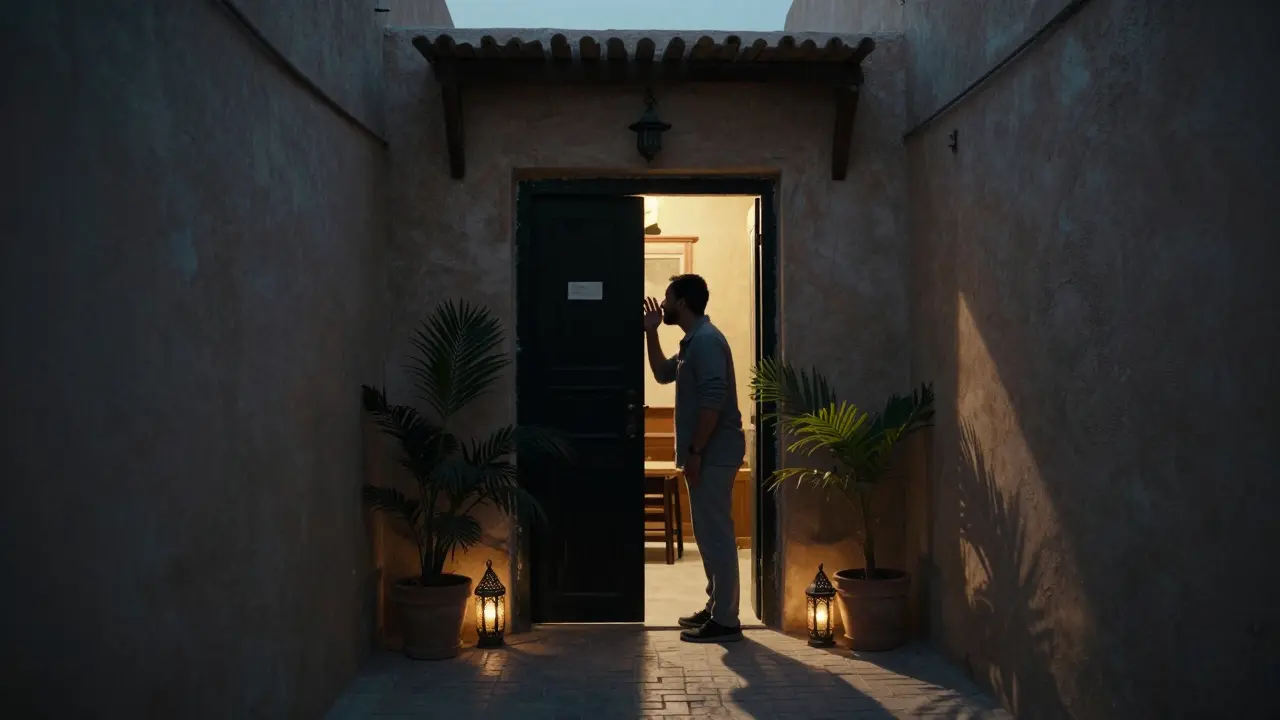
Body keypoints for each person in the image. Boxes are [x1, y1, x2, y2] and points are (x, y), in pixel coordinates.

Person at [643, 274, 746, 643]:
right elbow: (660, 374)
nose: (663, 305)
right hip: (703, 454)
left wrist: (697, 452)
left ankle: (726, 620)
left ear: (682, 303)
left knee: (716, 533)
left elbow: (713, 400)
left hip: (713, 454)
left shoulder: (706, 342)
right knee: (706, 532)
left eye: (668, 299)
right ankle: (716, 606)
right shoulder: (693, 343)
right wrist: (651, 332)